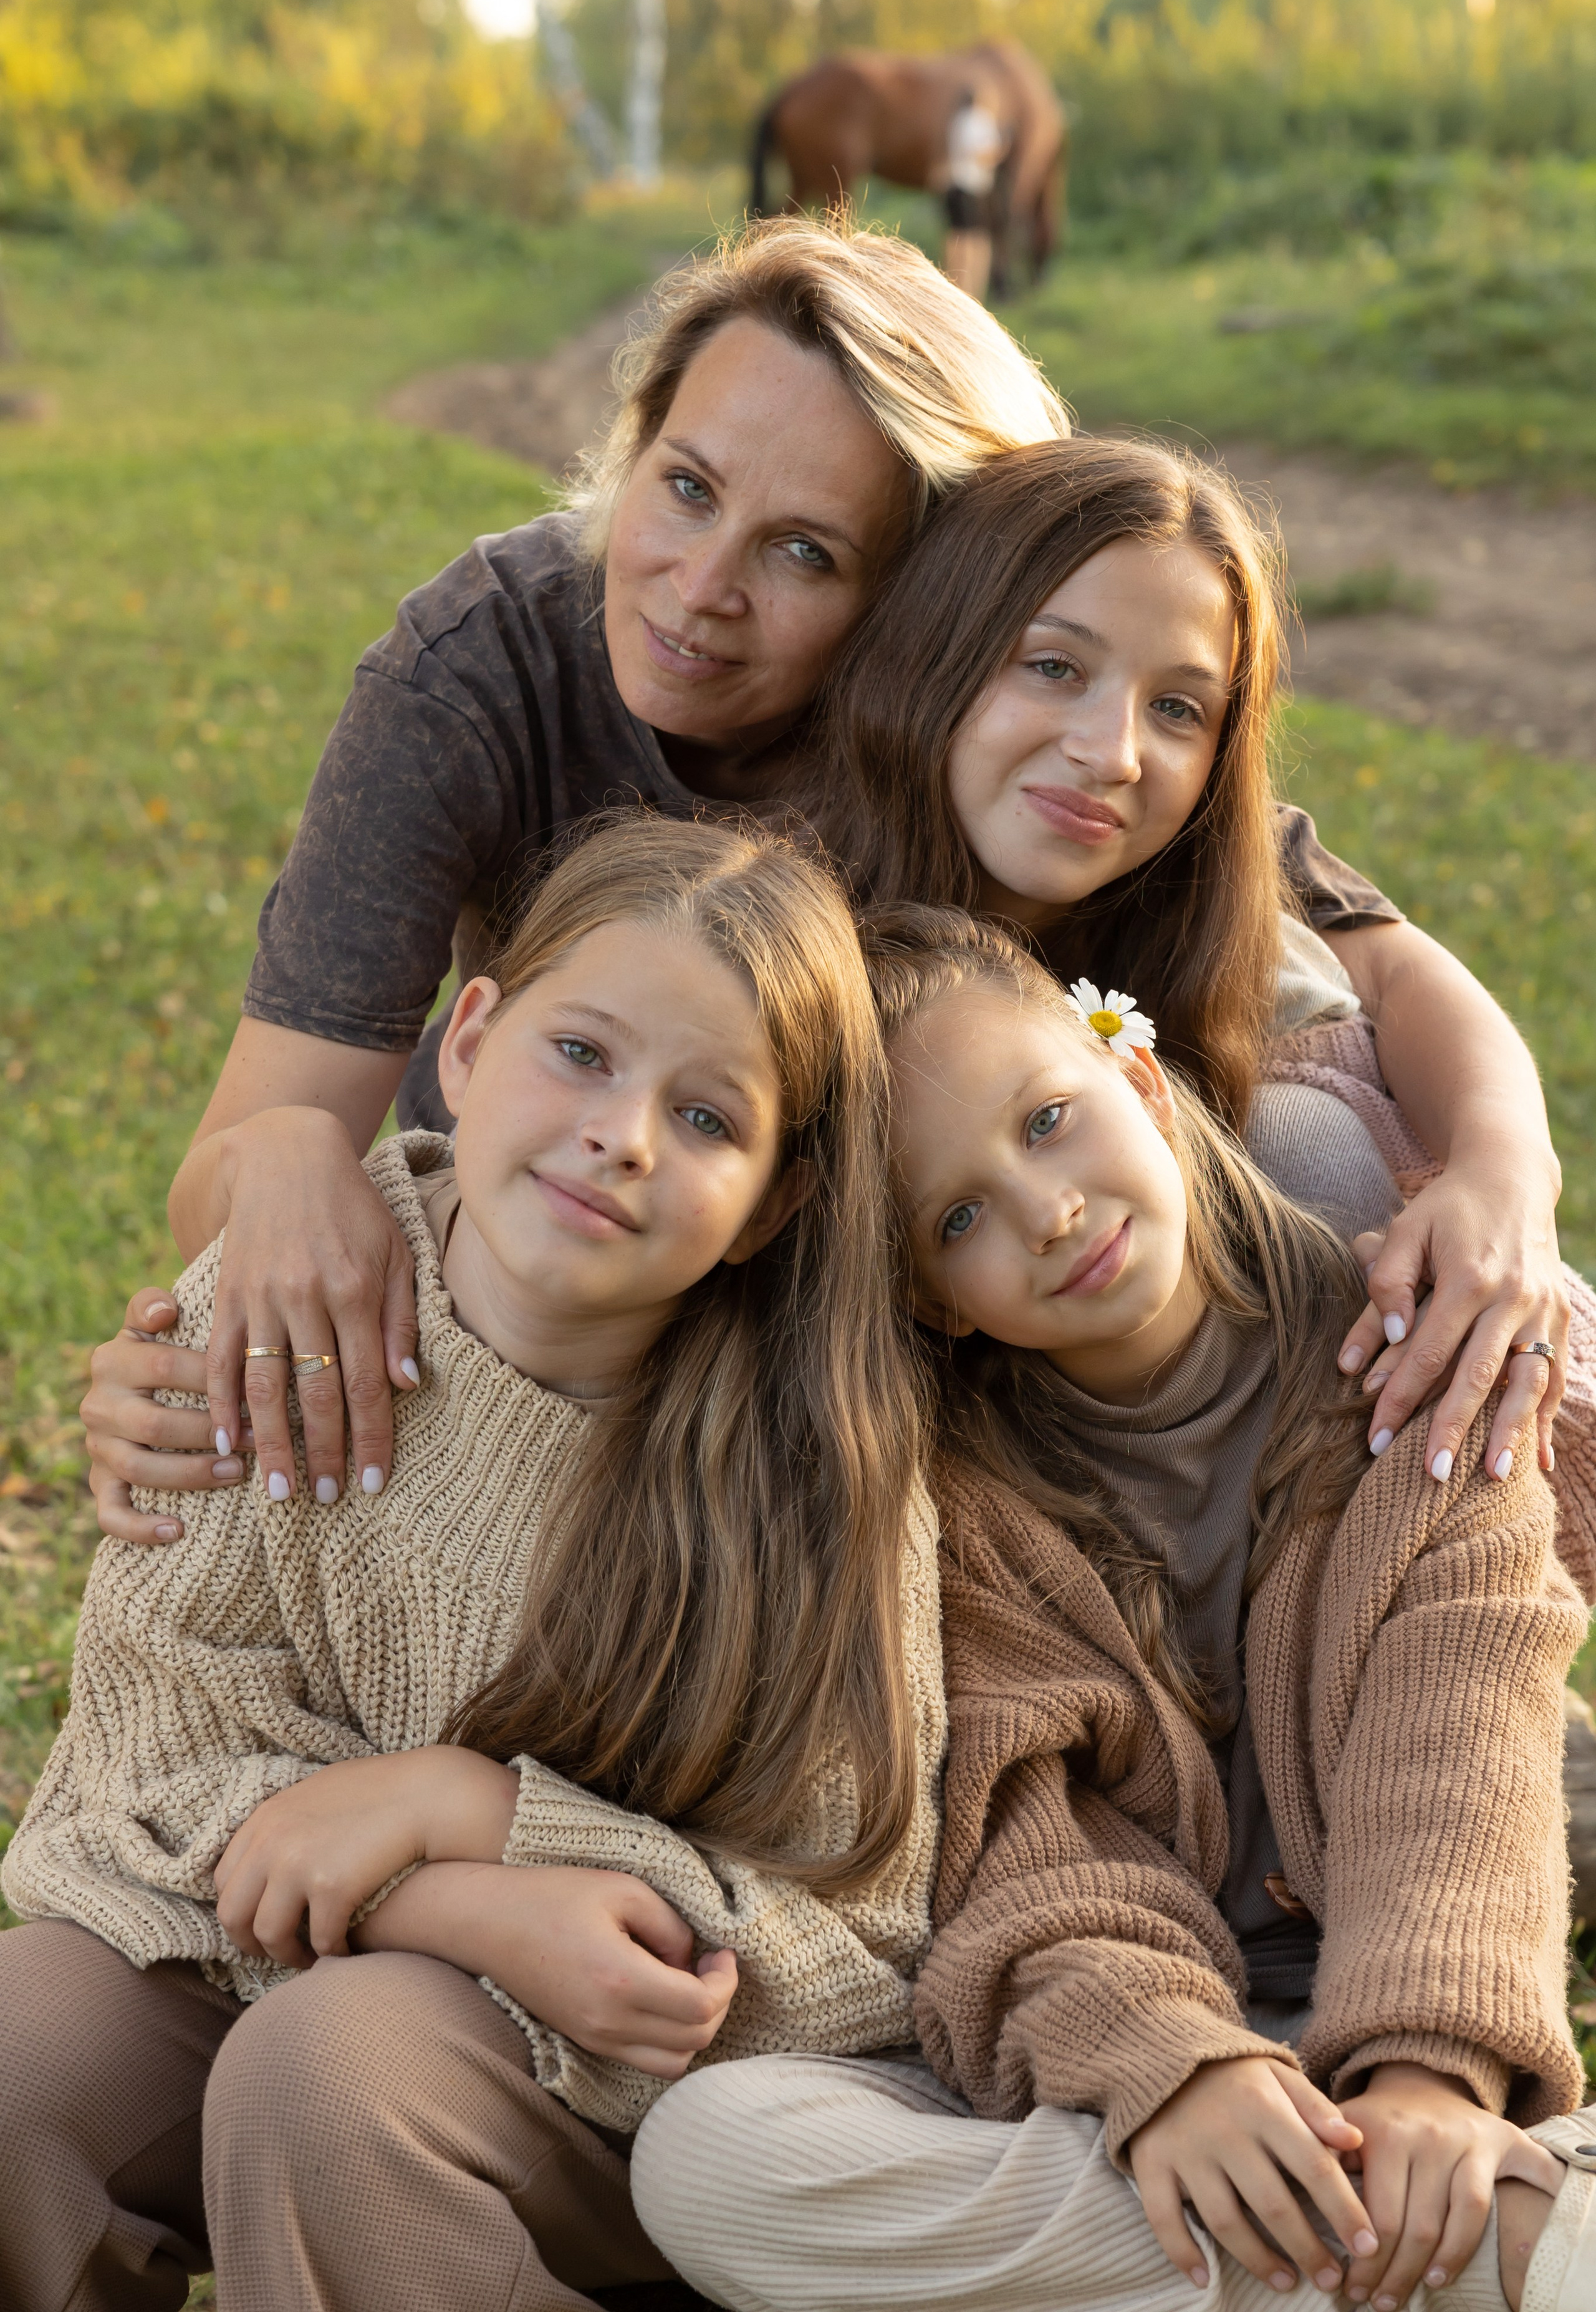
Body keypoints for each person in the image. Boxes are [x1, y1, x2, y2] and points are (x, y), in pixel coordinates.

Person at [79, 223, 1416, 1544]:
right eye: (686, 487)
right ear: (635, 443)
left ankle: (1321, 1591)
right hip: (563, 1200)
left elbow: (1345, 928)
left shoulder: (981, 719)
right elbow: (237, 1159)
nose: (699, 588)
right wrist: (283, 1206)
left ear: (927, 601)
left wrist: (1499, 1169)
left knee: (1314, 1158)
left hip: (864, 1245)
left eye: (804, 553)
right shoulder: (485, 660)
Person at [0, 817, 946, 2312]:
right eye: (581, 1052)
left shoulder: (812, 1457)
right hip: (240, 1947)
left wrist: (495, 1819)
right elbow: (135, 1766)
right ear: (472, 1038)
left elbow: (859, 1940)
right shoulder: (289, 1294)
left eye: (706, 1119)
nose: (622, 1133)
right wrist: (439, 1895)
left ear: (772, 1205)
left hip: (584, 2102)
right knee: (22, 2053)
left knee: (329, 2067)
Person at [628, 906, 1596, 2312]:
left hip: (1385, 2040)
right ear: (931, 1300)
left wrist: (1423, 2076)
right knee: (711, 2159)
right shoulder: (945, 1507)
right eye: (957, 1218)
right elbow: (1018, 1838)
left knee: (1409, 2152)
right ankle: (1492, 2252)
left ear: (1137, 1078)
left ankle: (1401, 2223)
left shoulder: (1410, 1346)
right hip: (1137, 2094)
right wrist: (1171, 2070)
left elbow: (1461, 1739)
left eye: (1046, 1120)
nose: (1047, 1210)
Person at [804, 433, 1584, 1496]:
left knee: (1301, 1142)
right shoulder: (809, 940)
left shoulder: (1209, 871)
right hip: (1046, 1502)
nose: (1113, 751)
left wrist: (1505, 1176)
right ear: (938, 647)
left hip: (1379, 1416)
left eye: (1179, 708)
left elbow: (1402, 972)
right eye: (1054, 665)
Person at [942, 89, 1007, 303]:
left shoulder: (959, 120)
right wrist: (1003, 148)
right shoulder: (980, 121)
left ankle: (956, 289)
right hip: (972, 187)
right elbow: (980, 155)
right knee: (976, 242)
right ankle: (971, 292)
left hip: (955, 185)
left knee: (957, 239)